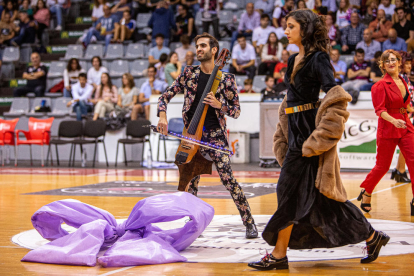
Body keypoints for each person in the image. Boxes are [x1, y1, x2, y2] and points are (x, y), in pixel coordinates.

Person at [248, 10, 389, 271]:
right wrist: (284, 130)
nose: (286, 30)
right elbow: (291, 98)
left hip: (308, 135)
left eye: (291, 26)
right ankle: (372, 236)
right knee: (323, 199)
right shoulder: (292, 59)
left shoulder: (319, 58)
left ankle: (279, 256)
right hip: (293, 131)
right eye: (286, 26)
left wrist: (320, 137)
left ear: (305, 29)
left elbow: (335, 95)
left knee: (286, 192)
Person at [157, 32, 258, 239]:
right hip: (192, 135)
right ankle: (192, 224)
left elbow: (236, 111)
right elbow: (164, 97)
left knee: (228, 179)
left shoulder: (227, 79)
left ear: (214, 51)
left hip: (215, 136)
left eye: (203, 45)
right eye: (197, 46)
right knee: (190, 182)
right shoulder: (188, 74)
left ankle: (249, 222)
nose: (198, 49)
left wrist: (219, 105)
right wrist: (162, 117)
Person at [359, 49, 414, 217]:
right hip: (389, 126)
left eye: (393, 59)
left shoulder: (403, 81)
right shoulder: (379, 85)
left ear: (399, 62)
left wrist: (410, 111)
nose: (391, 62)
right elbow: (380, 110)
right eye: (387, 61)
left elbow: (405, 105)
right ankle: (367, 191)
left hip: (405, 125)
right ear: (382, 65)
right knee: (382, 166)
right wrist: (393, 120)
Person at [389, 51, 413, 184]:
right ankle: (400, 170)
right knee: (407, 144)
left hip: (407, 113)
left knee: (406, 144)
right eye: (407, 63)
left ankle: (399, 170)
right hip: (405, 114)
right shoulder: (401, 78)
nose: (409, 66)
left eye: (410, 63)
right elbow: (405, 99)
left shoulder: (406, 77)